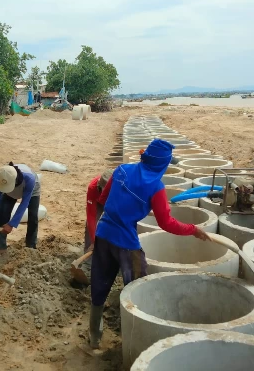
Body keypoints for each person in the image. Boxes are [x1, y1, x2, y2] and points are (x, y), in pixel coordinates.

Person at [88, 139, 210, 349]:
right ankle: (137, 337)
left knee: (100, 283)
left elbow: (104, 198)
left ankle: (94, 337)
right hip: (126, 242)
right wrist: (193, 229)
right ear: (163, 164)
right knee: (137, 287)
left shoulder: (122, 170)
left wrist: (130, 206)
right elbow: (167, 223)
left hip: (103, 233)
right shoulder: (156, 186)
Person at [0, 162, 41, 255]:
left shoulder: (30, 179)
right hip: (10, 192)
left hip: (32, 189)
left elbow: (24, 204)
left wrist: (11, 224)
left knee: (32, 216)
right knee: (1, 213)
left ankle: (31, 246)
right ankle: (0, 247)